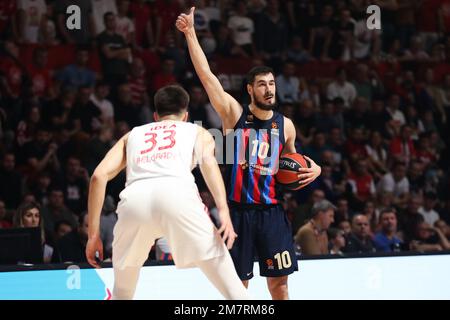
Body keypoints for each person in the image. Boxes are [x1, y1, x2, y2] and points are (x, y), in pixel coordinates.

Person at [176, 8, 321, 300]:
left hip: (272, 214)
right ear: (250, 90)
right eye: (262, 85)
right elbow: (207, 76)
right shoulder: (234, 114)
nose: (269, 90)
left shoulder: (286, 125)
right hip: (238, 214)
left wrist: (315, 170)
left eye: (272, 84)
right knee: (237, 289)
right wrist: (191, 33)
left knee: (279, 286)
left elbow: (294, 166)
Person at [86, 85, 250, 300]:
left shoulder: (132, 135)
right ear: (186, 115)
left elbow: (98, 177)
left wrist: (93, 235)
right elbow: (208, 163)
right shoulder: (196, 130)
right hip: (178, 196)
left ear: (155, 116)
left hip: (135, 201)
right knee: (234, 291)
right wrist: (223, 210)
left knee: (122, 293)